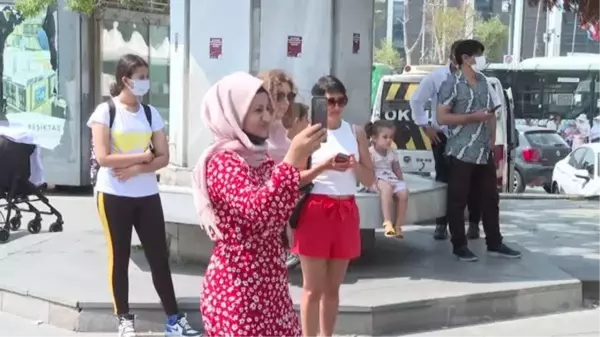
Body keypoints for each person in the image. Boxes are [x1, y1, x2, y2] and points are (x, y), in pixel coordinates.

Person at [192, 72, 326, 336]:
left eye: (268, 109)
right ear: (232, 113)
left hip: (271, 287)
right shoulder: (223, 162)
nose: (267, 117)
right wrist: (290, 160)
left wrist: (305, 165)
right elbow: (256, 212)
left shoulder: (259, 159)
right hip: (238, 293)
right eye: (257, 110)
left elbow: (278, 210)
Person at [88, 54, 201, 337]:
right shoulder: (106, 111)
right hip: (113, 194)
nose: (145, 83)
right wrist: (143, 155)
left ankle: (174, 319)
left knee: (158, 257)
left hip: (147, 193)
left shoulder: (151, 113)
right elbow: (103, 157)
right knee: (120, 256)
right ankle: (124, 318)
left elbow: (163, 157)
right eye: (140, 77)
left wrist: (136, 167)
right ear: (125, 80)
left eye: (146, 77)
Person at [291, 75, 376, 337]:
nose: (336, 107)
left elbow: (370, 178)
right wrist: (323, 167)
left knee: (333, 288)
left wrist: (354, 165)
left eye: (341, 101)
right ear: (319, 102)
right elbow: (292, 178)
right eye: (330, 101)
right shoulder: (307, 132)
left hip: (345, 210)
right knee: (312, 288)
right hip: (316, 209)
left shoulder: (355, 132)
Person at [437, 40, 521, 262]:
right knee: (458, 199)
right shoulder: (451, 84)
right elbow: (442, 117)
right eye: (478, 55)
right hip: (460, 150)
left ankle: (494, 242)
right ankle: (459, 245)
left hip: (484, 151)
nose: (481, 59)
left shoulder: (484, 81)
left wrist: (493, 137)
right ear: (465, 58)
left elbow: (492, 112)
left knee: (490, 198)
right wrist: (473, 118)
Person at [409, 39, 482, 241]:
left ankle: (474, 224)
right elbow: (416, 100)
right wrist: (425, 126)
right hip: (443, 136)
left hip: (471, 136)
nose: (477, 60)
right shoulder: (437, 77)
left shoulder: (478, 77)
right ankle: (441, 224)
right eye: (474, 55)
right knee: (444, 180)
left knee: (472, 181)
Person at [365, 120, 408, 238]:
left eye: (391, 137)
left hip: (390, 177)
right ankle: (387, 221)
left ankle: (398, 225)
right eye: (385, 137)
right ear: (374, 138)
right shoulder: (370, 153)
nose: (389, 140)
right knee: (386, 189)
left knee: (403, 194)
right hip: (377, 178)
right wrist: (372, 184)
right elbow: (369, 170)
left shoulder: (391, 152)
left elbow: (396, 168)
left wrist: (401, 181)